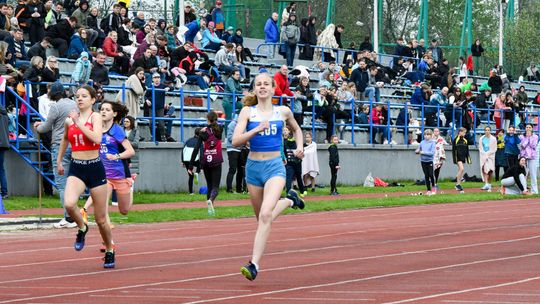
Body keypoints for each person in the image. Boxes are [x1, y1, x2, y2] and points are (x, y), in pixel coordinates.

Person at [232, 73, 305, 281]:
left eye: (266, 84)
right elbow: (236, 140)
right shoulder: (248, 111)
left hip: (275, 167)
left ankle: (253, 264)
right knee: (262, 219)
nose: (262, 87)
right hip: (253, 168)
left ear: (274, 89)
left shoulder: (283, 111)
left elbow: (297, 130)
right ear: (254, 89)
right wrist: (256, 130)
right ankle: (291, 200)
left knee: (265, 215)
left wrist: (300, 147)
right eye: (258, 84)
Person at [56, 85, 115, 268]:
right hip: (77, 167)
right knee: (69, 204)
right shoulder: (69, 121)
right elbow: (65, 139)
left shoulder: (95, 117)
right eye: (77, 96)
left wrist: (79, 123)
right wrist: (59, 161)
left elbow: (97, 138)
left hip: (95, 168)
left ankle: (110, 249)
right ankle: (82, 227)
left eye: (84, 96)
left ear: (92, 100)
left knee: (101, 219)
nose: (79, 99)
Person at [81, 101, 135, 232]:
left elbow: (131, 151)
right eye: (102, 109)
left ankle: (131, 184)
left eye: (107, 110)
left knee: (124, 210)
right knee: (102, 211)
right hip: (104, 176)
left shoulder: (116, 130)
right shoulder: (96, 129)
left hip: (121, 175)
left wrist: (116, 156)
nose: (103, 112)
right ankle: (108, 243)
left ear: (114, 113)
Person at [34, 83, 78, 228]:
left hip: (60, 145)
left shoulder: (56, 106)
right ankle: (75, 214)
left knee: (61, 182)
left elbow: (46, 127)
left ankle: (69, 217)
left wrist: (38, 127)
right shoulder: (74, 104)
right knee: (74, 182)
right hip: (76, 145)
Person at [188, 111, 223, 216]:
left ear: (207, 119)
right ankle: (211, 200)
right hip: (216, 160)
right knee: (215, 187)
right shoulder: (220, 130)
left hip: (206, 161)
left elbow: (196, 149)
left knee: (209, 185)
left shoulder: (203, 133)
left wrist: (190, 166)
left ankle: (210, 210)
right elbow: (218, 124)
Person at [283, 125, 306, 196]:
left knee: (299, 176)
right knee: (288, 177)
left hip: (297, 162)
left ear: (290, 131)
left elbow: (300, 150)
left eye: (286, 130)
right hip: (288, 162)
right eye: (283, 130)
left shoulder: (294, 141)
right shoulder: (282, 141)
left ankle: (302, 191)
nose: (284, 132)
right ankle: (288, 193)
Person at [226, 116, 245, 193]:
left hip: (240, 149)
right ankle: (229, 189)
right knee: (232, 169)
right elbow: (230, 138)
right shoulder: (232, 124)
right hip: (232, 149)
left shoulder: (243, 125)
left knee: (240, 170)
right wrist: (241, 140)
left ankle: (239, 189)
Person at [519, 123, 538, 194]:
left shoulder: (535, 136)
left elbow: (533, 145)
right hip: (524, 158)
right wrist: (527, 138)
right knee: (523, 174)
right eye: (527, 127)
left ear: (532, 128)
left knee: (533, 174)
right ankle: (524, 190)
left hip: (532, 157)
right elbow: (522, 146)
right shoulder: (521, 136)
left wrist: (529, 138)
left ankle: (534, 191)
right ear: (525, 128)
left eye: (530, 127)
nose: (528, 129)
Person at [416, 129, 436, 195]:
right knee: (426, 175)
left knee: (431, 174)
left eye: (428, 135)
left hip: (429, 161)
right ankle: (428, 190)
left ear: (431, 136)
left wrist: (423, 152)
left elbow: (432, 153)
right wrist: (417, 151)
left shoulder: (433, 143)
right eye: (425, 135)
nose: (426, 136)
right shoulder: (422, 142)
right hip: (423, 161)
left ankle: (433, 187)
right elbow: (419, 149)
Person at [182, 128, 201, 195]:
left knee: (190, 176)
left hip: (186, 158)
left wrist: (183, 161)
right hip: (193, 159)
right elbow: (202, 152)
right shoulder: (200, 141)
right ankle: (197, 173)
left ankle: (191, 192)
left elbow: (183, 150)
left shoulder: (188, 140)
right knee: (200, 165)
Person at [452, 127, 470, 192]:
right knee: (462, 169)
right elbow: (454, 150)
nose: (464, 134)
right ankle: (457, 181)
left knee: (461, 170)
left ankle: (458, 184)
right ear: (460, 132)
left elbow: (467, 150)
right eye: (463, 132)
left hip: (463, 158)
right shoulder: (455, 140)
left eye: (465, 132)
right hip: (457, 157)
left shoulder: (465, 140)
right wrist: (455, 158)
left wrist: (468, 159)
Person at [479, 126, 497, 192]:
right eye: (486, 130)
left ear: (490, 131)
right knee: (485, 169)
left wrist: (489, 154)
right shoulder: (481, 139)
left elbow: (494, 149)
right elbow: (480, 148)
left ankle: (489, 183)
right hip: (484, 156)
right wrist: (484, 154)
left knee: (491, 171)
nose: (487, 131)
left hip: (491, 157)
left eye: (488, 130)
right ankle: (486, 183)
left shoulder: (494, 139)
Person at [0, 102, 9, 199]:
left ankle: (4, 191)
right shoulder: (5, 115)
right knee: (1, 169)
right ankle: (4, 192)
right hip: (4, 143)